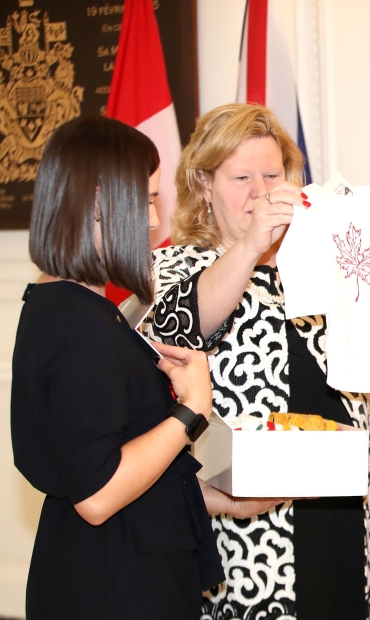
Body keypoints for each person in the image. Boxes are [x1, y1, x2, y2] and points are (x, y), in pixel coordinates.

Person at [143, 103, 370, 620]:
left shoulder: (319, 259)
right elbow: (182, 325)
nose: (260, 191)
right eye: (241, 176)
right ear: (204, 184)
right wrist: (250, 246)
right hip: (247, 520)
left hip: (340, 503)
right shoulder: (172, 265)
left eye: (272, 175)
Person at [10, 115, 231, 618]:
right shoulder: (77, 323)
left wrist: (227, 501)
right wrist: (192, 409)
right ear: (95, 202)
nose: (155, 221)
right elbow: (98, 493)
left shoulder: (71, 307)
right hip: (114, 585)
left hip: (113, 572)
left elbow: (123, 459)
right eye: (148, 199)